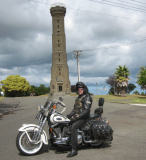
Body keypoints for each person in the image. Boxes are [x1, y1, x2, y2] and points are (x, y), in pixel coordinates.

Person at [67, 82, 92, 157]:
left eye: (81, 89)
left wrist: (77, 117)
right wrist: (69, 115)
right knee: (66, 123)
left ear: (84, 89)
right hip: (78, 116)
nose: (79, 90)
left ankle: (74, 150)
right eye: (78, 89)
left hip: (84, 117)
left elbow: (86, 110)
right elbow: (75, 109)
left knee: (74, 127)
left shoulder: (87, 97)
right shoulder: (78, 98)